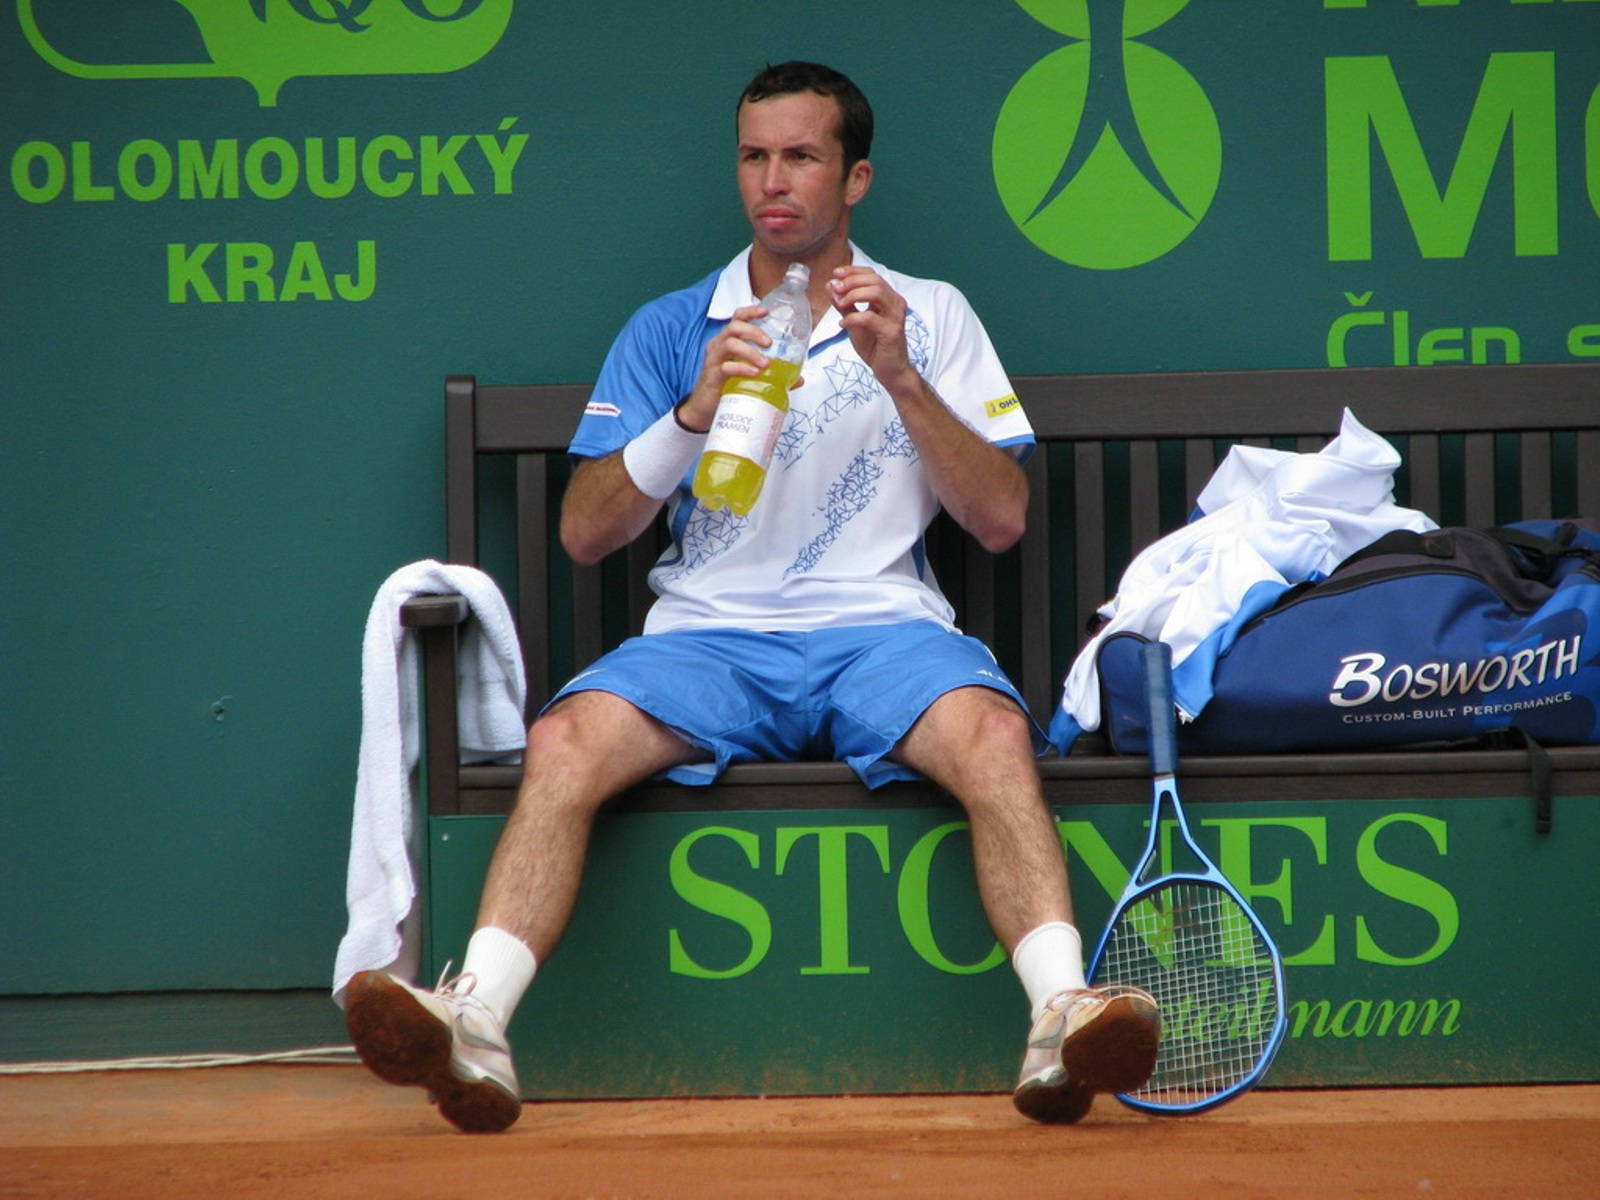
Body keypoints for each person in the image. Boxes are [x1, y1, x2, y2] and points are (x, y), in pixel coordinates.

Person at [343, 60, 1159, 1133]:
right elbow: (585, 533)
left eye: (801, 156)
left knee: (993, 738)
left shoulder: (933, 316)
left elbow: (1000, 518)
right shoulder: (676, 324)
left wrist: (901, 375)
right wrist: (690, 414)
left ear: (854, 177)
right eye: (754, 155)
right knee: (564, 746)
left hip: (882, 633)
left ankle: (1061, 1018)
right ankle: (476, 1022)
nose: (773, 180)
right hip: (709, 641)